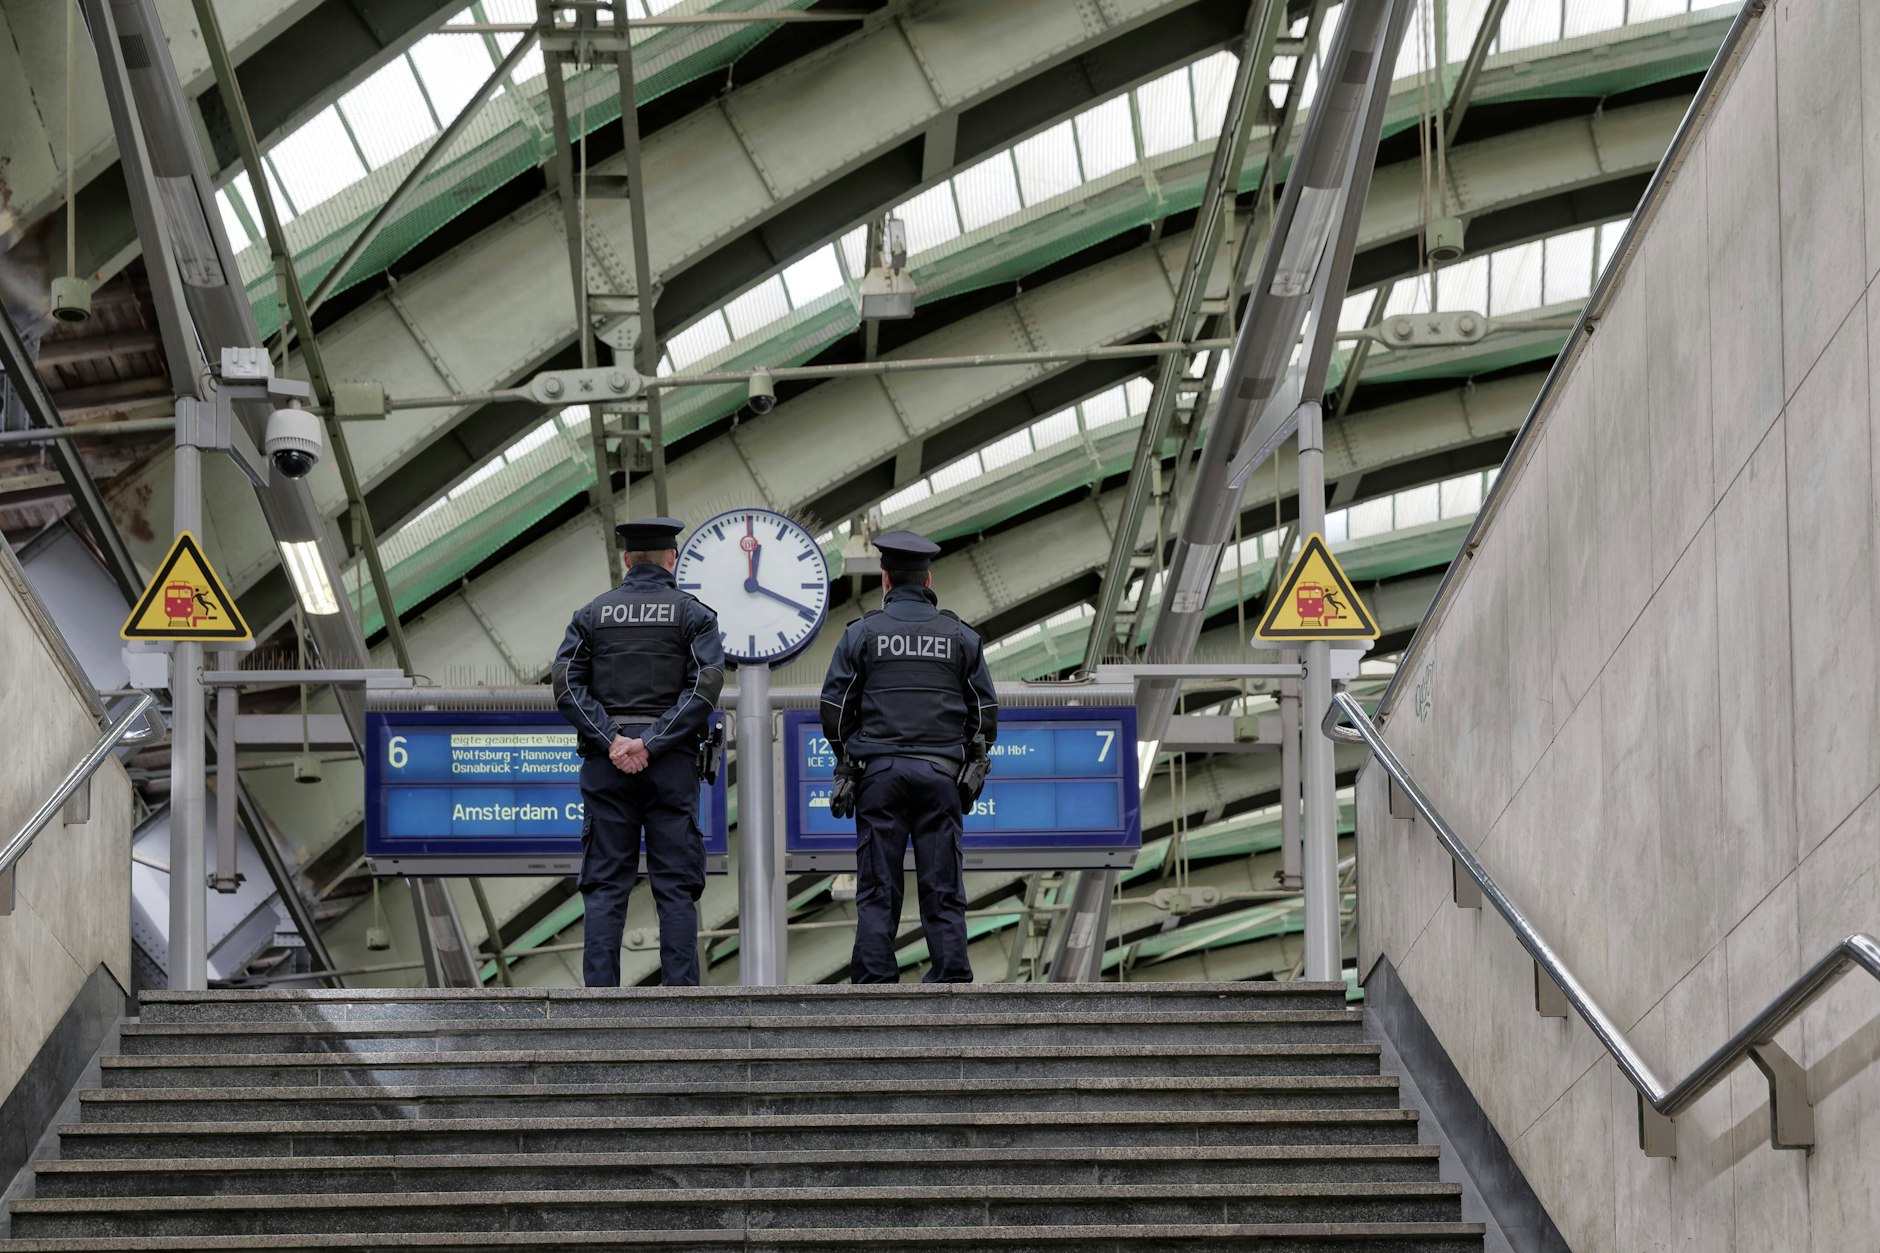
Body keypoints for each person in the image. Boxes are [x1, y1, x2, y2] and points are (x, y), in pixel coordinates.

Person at [819, 530, 998, 984]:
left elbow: (834, 708)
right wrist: (970, 760)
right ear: (928, 578)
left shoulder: (861, 634)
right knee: (942, 879)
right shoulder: (961, 638)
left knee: (879, 881)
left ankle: (876, 976)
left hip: (879, 775)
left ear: (885, 580)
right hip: (941, 777)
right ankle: (951, 970)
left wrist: (850, 757)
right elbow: (984, 712)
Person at [552, 517, 724, 987]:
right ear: (672, 559)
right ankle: (681, 998)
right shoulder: (694, 616)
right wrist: (650, 742)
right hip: (671, 767)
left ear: (627, 560)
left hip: (607, 769)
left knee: (606, 885)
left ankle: (600, 1000)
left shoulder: (591, 615)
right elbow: (705, 688)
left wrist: (613, 740)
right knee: (675, 886)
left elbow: (566, 686)